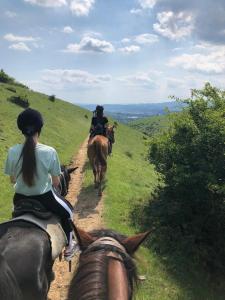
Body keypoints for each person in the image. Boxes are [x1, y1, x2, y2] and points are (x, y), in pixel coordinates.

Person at [4, 108, 79, 261]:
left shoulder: (12, 151)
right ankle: (70, 246)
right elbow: (57, 181)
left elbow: (12, 180)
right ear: (40, 129)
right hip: (45, 198)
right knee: (69, 213)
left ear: (22, 130)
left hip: (19, 199)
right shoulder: (49, 152)